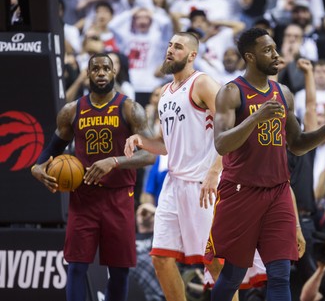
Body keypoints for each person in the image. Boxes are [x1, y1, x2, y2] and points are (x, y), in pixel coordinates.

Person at [204, 28, 325, 301]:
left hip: (278, 191)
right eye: (267, 50)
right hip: (240, 191)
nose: (276, 54)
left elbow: (296, 144)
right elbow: (221, 144)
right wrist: (254, 118)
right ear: (250, 56)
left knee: (281, 273)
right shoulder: (231, 92)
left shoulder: (283, 93)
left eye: (275, 48)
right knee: (234, 273)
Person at [124, 32, 265, 301]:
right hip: (173, 184)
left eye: (178, 47)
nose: (170, 50)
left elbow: (234, 128)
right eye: (169, 45)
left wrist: (215, 171)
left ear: (192, 55)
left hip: (204, 185)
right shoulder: (165, 92)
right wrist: (141, 140)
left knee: (215, 262)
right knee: (161, 259)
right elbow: (166, 145)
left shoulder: (202, 84)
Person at [31, 53, 156, 301]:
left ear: (113, 73)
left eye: (106, 68)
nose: (100, 72)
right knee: (76, 266)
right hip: (83, 197)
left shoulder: (130, 108)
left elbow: (150, 155)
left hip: (120, 196)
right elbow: (52, 149)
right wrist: (37, 166)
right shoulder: (72, 111)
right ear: (88, 74)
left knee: (119, 271)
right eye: (95, 68)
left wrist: (115, 161)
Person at [129, 203, 166, 301]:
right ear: (136, 217)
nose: (147, 215)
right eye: (143, 212)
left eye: (151, 213)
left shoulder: (161, 238)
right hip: (132, 279)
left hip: (154, 276)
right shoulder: (129, 239)